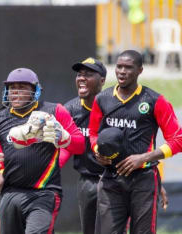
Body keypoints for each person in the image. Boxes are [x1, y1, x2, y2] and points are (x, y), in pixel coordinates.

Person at [0, 68, 85, 234]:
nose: (16, 92)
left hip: (44, 193)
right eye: (12, 88)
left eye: (22, 87)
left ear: (35, 91)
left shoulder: (54, 111)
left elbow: (80, 145)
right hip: (10, 193)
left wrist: (64, 138)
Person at [89, 50, 182, 233]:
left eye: (128, 67)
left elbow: (178, 139)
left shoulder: (155, 100)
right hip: (111, 179)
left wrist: (143, 158)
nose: (122, 71)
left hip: (143, 179)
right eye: (119, 67)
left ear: (140, 70)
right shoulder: (102, 99)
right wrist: (98, 150)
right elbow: (93, 133)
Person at [59, 57, 106, 234]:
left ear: (102, 80)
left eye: (88, 74)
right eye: (79, 74)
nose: (81, 78)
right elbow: (64, 147)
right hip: (87, 181)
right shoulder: (69, 110)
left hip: (114, 180)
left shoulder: (112, 107)